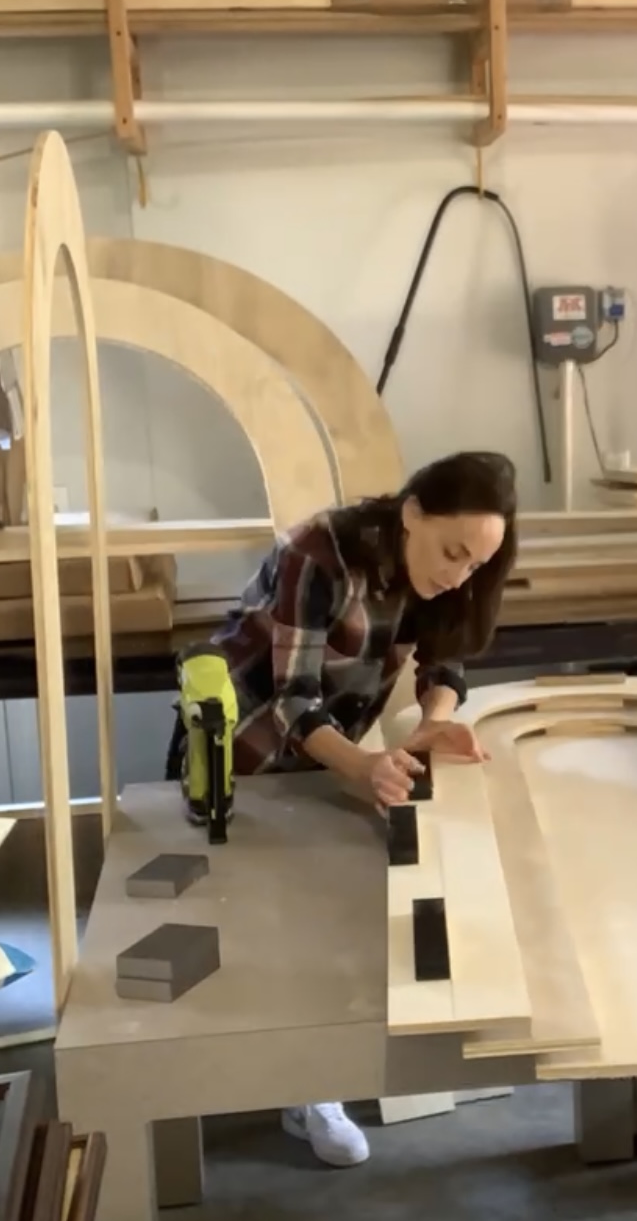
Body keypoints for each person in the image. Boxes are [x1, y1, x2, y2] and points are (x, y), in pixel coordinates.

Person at [170, 451, 518, 1168]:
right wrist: (362, 768)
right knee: (246, 918)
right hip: (247, 744)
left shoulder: (443, 571)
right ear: (412, 512)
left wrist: (433, 722)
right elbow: (292, 695)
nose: (459, 574)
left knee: (323, 920)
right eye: (453, 552)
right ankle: (193, 1081)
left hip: (326, 749)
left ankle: (310, 1091)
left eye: (476, 565)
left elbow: (445, 663)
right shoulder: (318, 553)